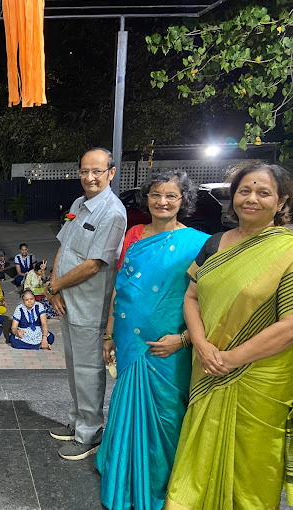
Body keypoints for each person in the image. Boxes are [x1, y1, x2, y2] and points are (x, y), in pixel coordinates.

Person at [164, 161, 293, 509]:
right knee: (198, 453)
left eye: (263, 193)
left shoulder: (288, 251)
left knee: (250, 465)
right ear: (233, 197)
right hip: (207, 365)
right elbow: (191, 297)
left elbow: (290, 325)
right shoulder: (216, 243)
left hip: (258, 379)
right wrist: (201, 344)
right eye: (244, 191)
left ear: (281, 201)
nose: (251, 199)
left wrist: (230, 359)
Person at [93, 170, 209, 510]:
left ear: (183, 201)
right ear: (147, 198)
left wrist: (185, 340)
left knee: (167, 414)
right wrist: (109, 333)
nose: (163, 201)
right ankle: (123, 476)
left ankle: (162, 485)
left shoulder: (200, 243)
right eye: (156, 194)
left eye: (171, 195)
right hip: (129, 338)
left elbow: (208, 302)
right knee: (126, 405)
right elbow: (121, 289)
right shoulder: (135, 235)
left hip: (169, 345)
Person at [45, 148, 126, 461]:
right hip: (67, 300)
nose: (90, 178)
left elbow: (94, 265)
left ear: (111, 173)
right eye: (84, 171)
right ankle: (78, 421)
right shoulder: (79, 204)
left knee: (89, 371)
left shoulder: (112, 213)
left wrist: (56, 286)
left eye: (97, 171)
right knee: (74, 367)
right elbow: (64, 247)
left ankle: (89, 433)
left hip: (90, 306)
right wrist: (53, 287)